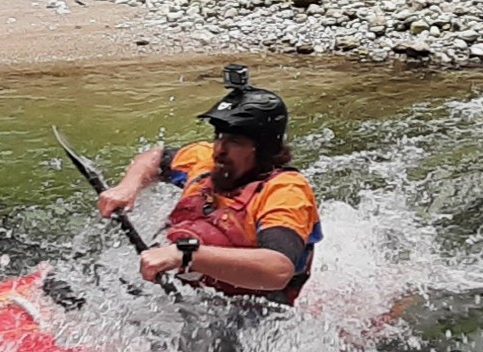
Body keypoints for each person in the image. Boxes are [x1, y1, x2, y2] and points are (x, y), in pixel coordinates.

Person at [96, 67, 322, 306]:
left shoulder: (285, 192)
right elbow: (154, 157)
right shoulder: (206, 162)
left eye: (234, 141)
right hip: (186, 291)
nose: (219, 150)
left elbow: (278, 269)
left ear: (264, 149)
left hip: (251, 311)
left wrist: (185, 255)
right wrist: (127, 188)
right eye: (219, 136)